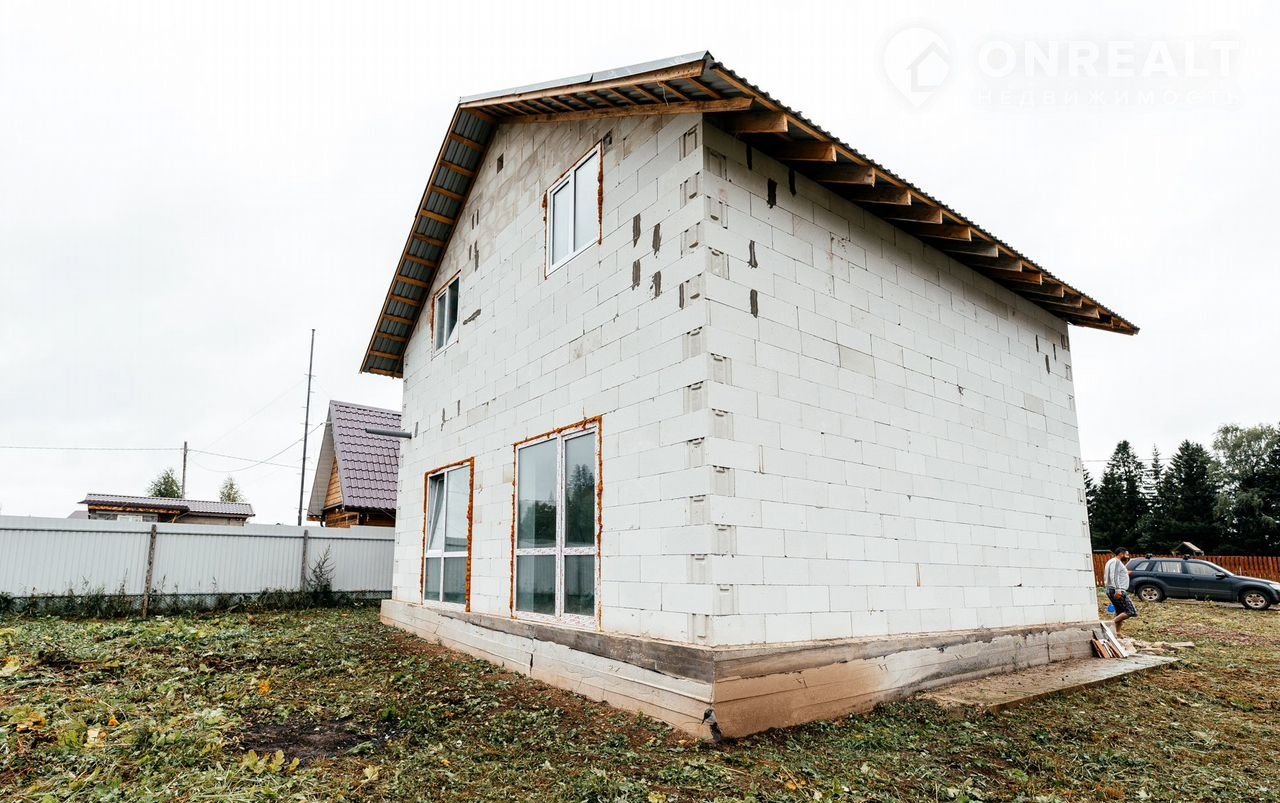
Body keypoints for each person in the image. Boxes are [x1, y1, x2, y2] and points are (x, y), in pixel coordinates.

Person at [1103, 547, 1137, 633]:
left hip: (1112, 589)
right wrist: (1118, 590)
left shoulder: (1112, 561)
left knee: (1120, 612)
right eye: (1126, 554)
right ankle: (1109, 624)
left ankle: (1117, 633)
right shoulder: (1116, 562)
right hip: (1117, 590)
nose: (1128, 556)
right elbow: (1114, 576)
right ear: (1121, 554)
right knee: (1131, 611)